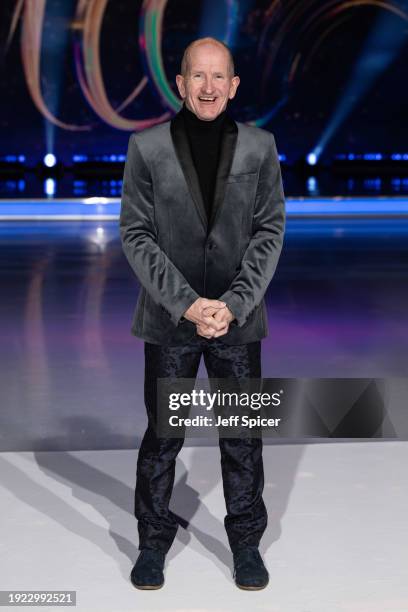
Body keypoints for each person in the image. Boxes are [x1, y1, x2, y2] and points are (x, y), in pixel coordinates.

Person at [120, 36, 285, 590]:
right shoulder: (146, 148)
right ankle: (151, 544)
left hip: (238, 323)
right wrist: (188, 303)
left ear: (234, 85)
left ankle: (245, 544)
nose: (209, 87)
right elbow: (136, 235)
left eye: (219, 78)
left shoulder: (261, 147)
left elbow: (269, 231)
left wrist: (232, 305)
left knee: (242, 436)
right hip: (171, 322)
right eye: (198, 77)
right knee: (164, 436)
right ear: (181, 82)